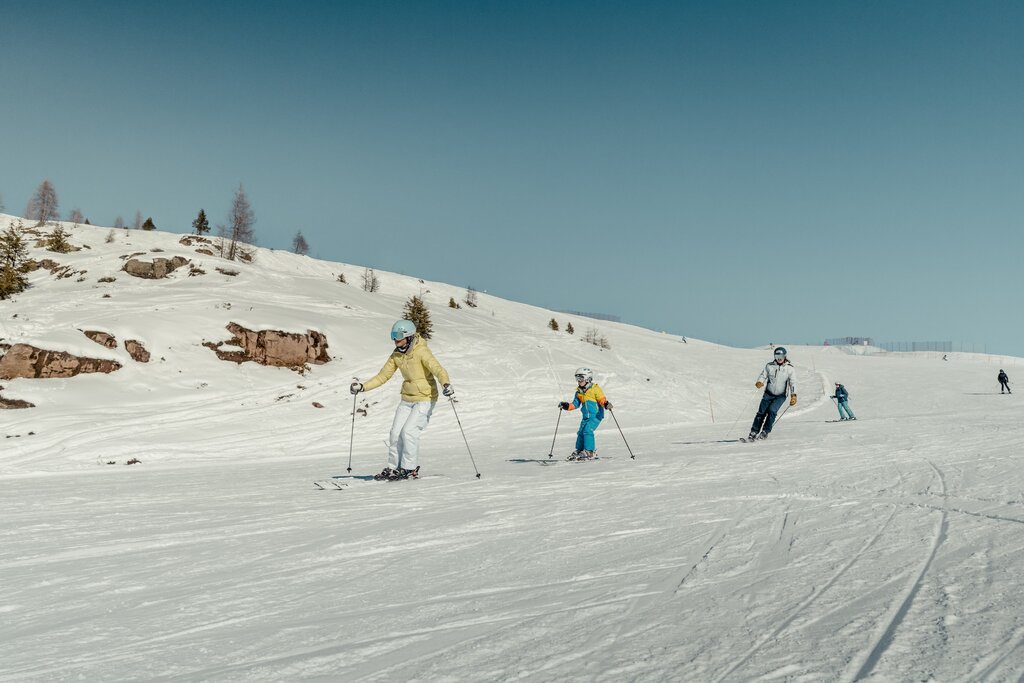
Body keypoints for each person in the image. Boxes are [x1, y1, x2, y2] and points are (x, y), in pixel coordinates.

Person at [350, 320, 453, 480]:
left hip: (425, 398)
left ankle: (409, 468)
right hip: (407, 398)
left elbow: (438, 369)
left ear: (409, 336)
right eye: (393, 336)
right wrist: (363, 387)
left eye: (398, 336)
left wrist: (445, 383)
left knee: (409, 431)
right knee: (395, 433)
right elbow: (383, 376)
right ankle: (394, 467)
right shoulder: (397, 355)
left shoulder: (421, 351)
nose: (395, 340)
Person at [558, 367, 612, 460]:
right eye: (577, 378)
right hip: (586, 417)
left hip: (596, 415)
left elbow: (601, 399)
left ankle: (589, 451)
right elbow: (575, 404)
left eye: (581, 378)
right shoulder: (578, 392)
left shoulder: (595, 389)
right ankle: (580, 450)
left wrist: (606, 404)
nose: (578, 381)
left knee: (587, 430)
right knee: (581, 432)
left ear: (588, 378)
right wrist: (566, 406)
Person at [748, 347, 797, 440]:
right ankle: (754, 431)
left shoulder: (790, 369)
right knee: (761, 412)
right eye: (777, 356)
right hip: (768, 393)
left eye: (781, 356)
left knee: (772, 411)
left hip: (781, 395)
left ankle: (765, 431)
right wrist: (760, 381)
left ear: (785, 356)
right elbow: (763, 375)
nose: (779, 358)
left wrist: (793, 395)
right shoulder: (769, 366)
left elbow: (793, 383)